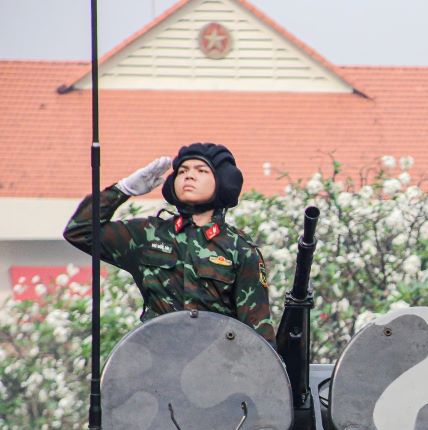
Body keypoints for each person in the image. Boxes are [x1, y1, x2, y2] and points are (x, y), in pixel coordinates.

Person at [63, 143, 275, 343]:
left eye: (201, 171)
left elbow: (257, 328)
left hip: (215, 366)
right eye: (182, 171)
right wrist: (123, 189)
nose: (189, 175)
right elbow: (80, 231)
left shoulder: (238, 248)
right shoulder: (149, 235)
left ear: (222, 181)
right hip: (156, 361)